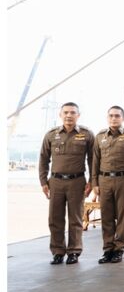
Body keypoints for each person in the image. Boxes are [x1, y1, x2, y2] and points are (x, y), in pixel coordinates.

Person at [39, 102, 95, 265]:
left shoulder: (86, 135)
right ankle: (58, 252)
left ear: (78, 115)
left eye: (72, 112)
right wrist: (43, 181)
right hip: (55, 182)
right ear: (60, 115)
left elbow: (93, 160)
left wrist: (92, 181)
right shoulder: (51, 135)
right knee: (55, 218)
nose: (69, 115)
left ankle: (74, 251)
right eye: (66, 112)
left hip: (77, 182)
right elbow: (43, 159)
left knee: (75, 218)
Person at [91, 105, 124, 264]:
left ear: (123, 118)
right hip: (104, 180)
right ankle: (107, 249)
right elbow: (95, 161)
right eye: (111, 115)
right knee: (106, 216)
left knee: (122, 216)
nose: (114, 118)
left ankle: (119, 249)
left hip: (123, 179)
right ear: (107, 118)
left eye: (117, 116)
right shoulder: (100, 137)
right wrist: (94, 182)